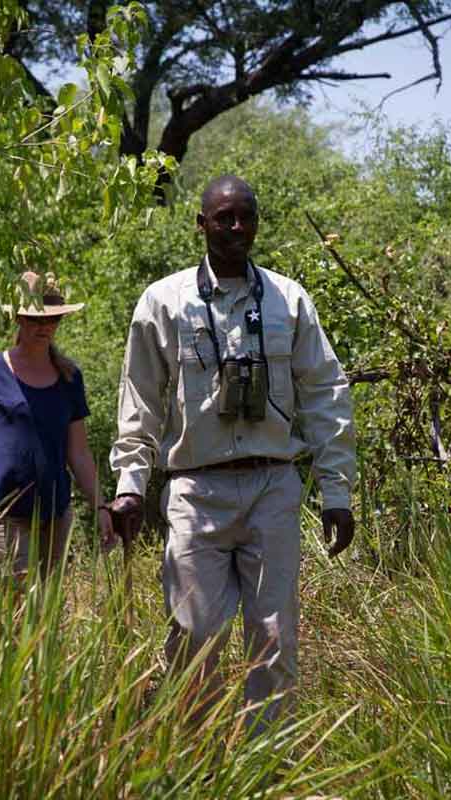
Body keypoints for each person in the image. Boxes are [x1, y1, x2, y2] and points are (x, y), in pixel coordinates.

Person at [108, 175, 356, 729]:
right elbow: (139, 402)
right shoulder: (163, 302)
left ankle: (266, 768)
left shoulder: (288, 300)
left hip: (273, 486)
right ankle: (194, 762)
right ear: (201, 224)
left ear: (257, 223)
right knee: (194, 635)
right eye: (224, 218)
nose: (236, 228)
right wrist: (130, 486)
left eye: (246, 216)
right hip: (195, 491)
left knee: (273, 637)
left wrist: (336, 491)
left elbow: (324, 392)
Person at [0, 271, 114, 576]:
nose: (45, 326)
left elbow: (78, 453)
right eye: (36, 319)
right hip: (1, 507)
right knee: (16, 604)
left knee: (47, 610)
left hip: (54, 511)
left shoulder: (69, 377)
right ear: (19, 319)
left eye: (53, 319)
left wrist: (101, 505)